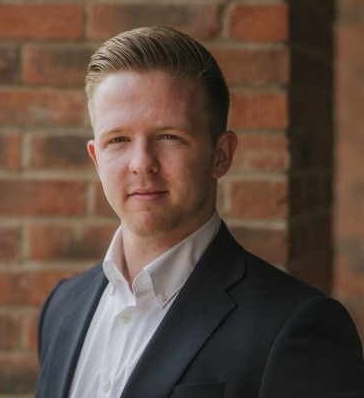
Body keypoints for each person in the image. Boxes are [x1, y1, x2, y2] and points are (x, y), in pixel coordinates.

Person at [36, 26, 364, 398]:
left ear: (220, 155)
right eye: (119, 140)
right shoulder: (62, 308)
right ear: (97, 159)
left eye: (169, 136)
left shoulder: (297, 326)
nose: (141, 163)